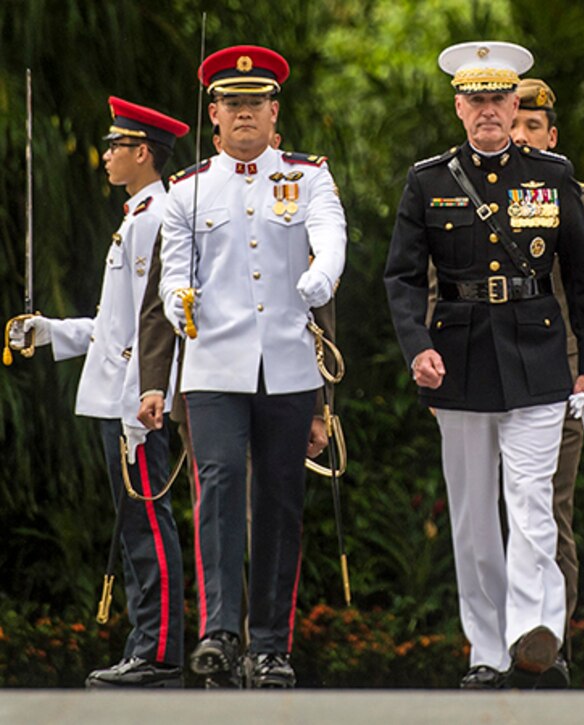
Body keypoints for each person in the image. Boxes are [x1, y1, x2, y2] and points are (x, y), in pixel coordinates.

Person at [384, 40, 584, 689]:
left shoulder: (552, 174)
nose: (488, 110)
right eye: (476, 100)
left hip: (539, 356)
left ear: (516, 104)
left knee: (534, 503)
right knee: (476, 516)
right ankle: (487, 647)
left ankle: (536, 635)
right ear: (460, 107)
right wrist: (416, 346)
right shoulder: (428, 179)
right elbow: (400, 277)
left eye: (498, 99)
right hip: (457, 361)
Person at [157, 44, 347, 688]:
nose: (244, 115)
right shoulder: (187, 189)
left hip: (290, 364)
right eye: (231, 104)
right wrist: (175, 298)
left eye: (255, 104)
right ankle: (218, 633)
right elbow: (172, 273)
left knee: (280, 501)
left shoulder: (308, 175)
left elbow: (330, 234)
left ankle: (270, 645)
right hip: (212, 364)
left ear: (274, 111)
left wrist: (322, 274)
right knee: (219, 490)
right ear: (214, 114)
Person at [10, 97, 189, 687]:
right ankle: (147, 644)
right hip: (124, 397)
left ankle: (159, 652)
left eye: (115, 146)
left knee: (147, 526)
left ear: (143, 153)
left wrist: (147, 396)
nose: (106, 155)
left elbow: (157, 322)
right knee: (136, 525)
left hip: (137, 403)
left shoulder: (155, 218)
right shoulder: (135, 217)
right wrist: (51, 331)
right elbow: (114, 326)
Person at [510, 78, 584, 677]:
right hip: (491, 375)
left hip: (564, 374)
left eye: (534, 127)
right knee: (497, 510)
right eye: (514, 123)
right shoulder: (466, 190)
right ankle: (502, 642)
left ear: (552, 137)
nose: (522, 135)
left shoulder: (576, 197)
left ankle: (550, 644)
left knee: (550, 510)